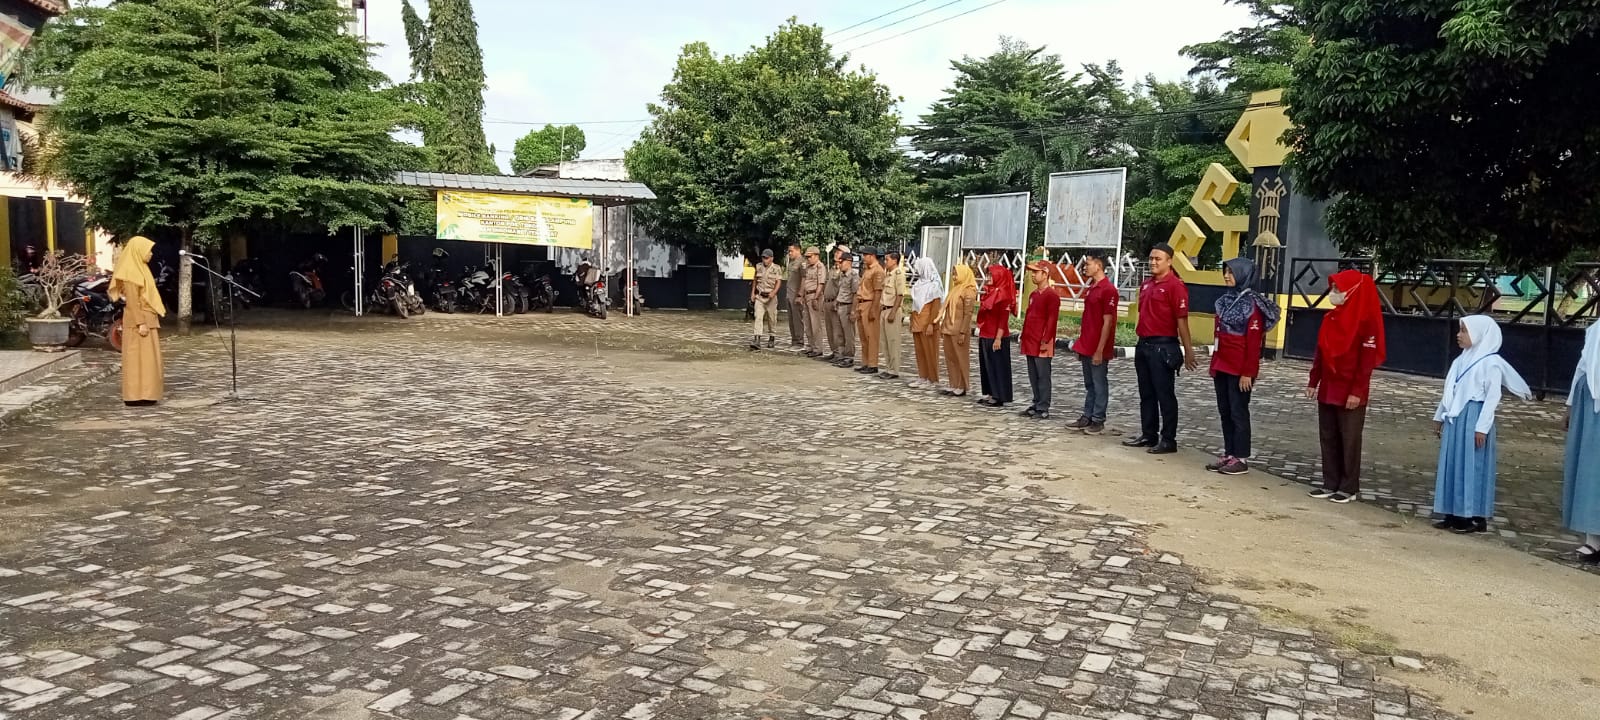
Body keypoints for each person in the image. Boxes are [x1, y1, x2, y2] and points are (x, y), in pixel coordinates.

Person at [1431, 315, 1531, 534]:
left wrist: (1481, 427)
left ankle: (1472, 516)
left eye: (1464, 331)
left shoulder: (1491, 363)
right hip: (1456, 417)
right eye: (1460, 330)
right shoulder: (1460, 360)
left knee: (1472, 466)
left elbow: (1492, 397)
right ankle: (1452, 511)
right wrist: (1439, 417)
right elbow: (1450, 391)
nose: (1459, 335)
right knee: (1453, 464)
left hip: (1473, 418)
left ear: (1480, 334)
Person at [1306, 269, 1386, 503]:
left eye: (1338, 289)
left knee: (1349, 437)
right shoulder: (1330, 319)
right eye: (1333, 288)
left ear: (1351, 292)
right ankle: (1330, 482)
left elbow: (1366, 364)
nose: (1334, 293)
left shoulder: (1366, 323)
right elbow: (1320, 352)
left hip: (1350, 388)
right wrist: (1313, 381)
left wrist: (1357, 392)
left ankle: (1348, 486)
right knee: (1328, 435)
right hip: (1329, 386)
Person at [1207, 257, 1280, 475]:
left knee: (1238, 412)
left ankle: (1241, 457)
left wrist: (1248, 373)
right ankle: (1229, 453)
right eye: (1226, 272)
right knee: (1225, 411)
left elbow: (1253, 343)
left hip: (1239, 369)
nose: (1227, 276)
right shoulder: (1225, 301)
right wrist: (1214, 365)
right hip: (1222, 364)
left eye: (1232, 272)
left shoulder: (1252, 306)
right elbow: (1218, 336)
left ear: (1243, 275)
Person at [1124, 244, 1196, 454]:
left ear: (1169, 261)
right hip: (1143, 344)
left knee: (1164, 395)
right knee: (1146, 393)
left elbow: (1182, 321)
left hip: (1163, 346)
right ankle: (1149, 434)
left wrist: (1188, 350)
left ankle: (1168, 439)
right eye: (1151, 258)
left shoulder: (1175, 286)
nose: (1153, 262)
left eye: (1158, 259)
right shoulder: (1146, 285)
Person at [109, 236, 166, 407]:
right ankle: (135, 394)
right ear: (138, 250)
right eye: (148, 250)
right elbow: (132, 302)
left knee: (148, 359)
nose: (150, 254)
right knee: (137, 359)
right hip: (138, 322)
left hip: (147, 319)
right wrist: (140, 322)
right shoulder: (131, 272)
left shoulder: (141, 269)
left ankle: (147, 393)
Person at [1069, 249, 1118, 435]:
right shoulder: (1092, 288)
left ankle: (1098, 418)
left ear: (1098, 265)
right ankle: (1087, 415)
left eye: (1088, 263)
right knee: (1090, 384)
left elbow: (1108, 322)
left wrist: (1100, 349)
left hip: (1098, 346)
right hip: (1087, 344)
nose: (1085, 267)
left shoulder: (1108, 290)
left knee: (1099, 383)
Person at [1563, 321, 1600, 564]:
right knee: (1590, 469)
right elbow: (1583, 364)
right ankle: (1593, 538)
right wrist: (1569, 405)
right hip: (1590, 405)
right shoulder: (1596, 328)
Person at [1020, 260, 1062, 419]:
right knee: (1033, 374)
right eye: (1032, 271)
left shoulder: (1052, 296)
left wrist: (1046, 339)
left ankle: (1043, 406)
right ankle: (1036, 401)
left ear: (1045, 274)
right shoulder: (1033, 295)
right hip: (1030, 340)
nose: (1032, 274)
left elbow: (1052, 320)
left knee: (1043, 375)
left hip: (1043, 341)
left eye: (1036, 272)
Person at [976, 264, 1016, 407]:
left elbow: (1003, 319)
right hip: (986, 333)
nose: (988, 278)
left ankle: (999, 395)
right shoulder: (989, 292)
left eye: (990, 275)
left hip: (996, 336)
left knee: (997, 367)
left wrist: (998, 338)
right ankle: (990, 392)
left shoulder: (1003, 295)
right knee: (987, 366)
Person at [940, 263, 978, 397]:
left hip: (959, 330)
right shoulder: (954, 289)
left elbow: (968, 314)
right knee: (950, 358)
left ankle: (962, 385)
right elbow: (947, 309)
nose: (954, 276)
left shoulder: (969, 291)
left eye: (956, 274)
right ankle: (953, 383)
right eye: (953, 274)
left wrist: (963, 332)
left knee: (960, 358)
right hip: (949, 328)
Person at [909, 257, 945, 389]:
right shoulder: (918, 284)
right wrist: (912, 320)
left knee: (930, 352)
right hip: (918, 323)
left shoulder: (934, 286)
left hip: (928, 325)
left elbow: (935, 309)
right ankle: (922, 376)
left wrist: (931, 324)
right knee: (920, 351)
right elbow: (914, 305)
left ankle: (932, 378)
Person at [878, 250, 908, 380]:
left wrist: (893, 312)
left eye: (887, 259)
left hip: (892, 310)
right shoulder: (888, 274)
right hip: (884, 309)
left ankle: (894, 370)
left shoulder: (898, 274)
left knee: (893, 341)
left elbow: (899, 295)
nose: (885, 262)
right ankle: (888, 367)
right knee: (884, 341)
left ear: (895, 260)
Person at [854, 248, 885, 374]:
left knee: (871, 335)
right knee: (863, 336)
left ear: (872, 256)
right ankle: (865, 362)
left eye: (865, 255)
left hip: (870, 303)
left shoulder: (878, 271)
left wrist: (874, 309)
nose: (863, 257)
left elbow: (878, 291)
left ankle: (873, 364)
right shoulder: (867, 269)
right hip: (862, 303)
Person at [750, 249, 783, 350]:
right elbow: (755, 279)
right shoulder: (758, 266)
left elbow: (778, 282)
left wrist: (774, 292)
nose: (765, 260)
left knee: (771, 319)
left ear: (771, 258)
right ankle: (757, 339)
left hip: (770, 297)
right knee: (758, 316)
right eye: (763, 257)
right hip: (760, 296)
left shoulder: (776, 268)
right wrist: (752, 293)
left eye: (767, 258)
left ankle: (772, 337)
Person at [833, 248, 860, 368]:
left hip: (848, 306)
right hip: (840, 305)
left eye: (842, 261)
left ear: (848, 261)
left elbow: (855, 294)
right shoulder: (842, 275)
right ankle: (841, 354)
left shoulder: (853, 275)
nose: (840, 264)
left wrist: (854, 310)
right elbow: (841, 290)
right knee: (840, 333)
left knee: (848, 334)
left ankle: (849, 357)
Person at [801, 247, 828, 357]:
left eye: (810, 257)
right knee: (807, 323)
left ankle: (818, 348)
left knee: (815, 323)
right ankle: (810, 346)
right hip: (807, 295)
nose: (808, 259)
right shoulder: (808, 267)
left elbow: (820, 284)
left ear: (816, 256)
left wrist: (816, 298)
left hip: (814, 296)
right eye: (807, 257)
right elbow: (805, 281)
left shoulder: (820, 267)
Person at [821, 246, 844, 361]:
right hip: (827, 301)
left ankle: (840, 353)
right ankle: (834, 351)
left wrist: (837, 300)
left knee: (837, 330)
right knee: (829, 329)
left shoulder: (843, 270)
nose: (836, 253)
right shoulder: (833, 268)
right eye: (836, 251)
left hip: (835, 302)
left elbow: (842, 287)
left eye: (839, 252)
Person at [785, 244, 807, 348]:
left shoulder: (802, 262)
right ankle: (794, 340)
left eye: (791, 251)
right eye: (789, 251)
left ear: (798, 250)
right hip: (789, 294)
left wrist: (800, 294)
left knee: (798, 319)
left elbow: (804, 278)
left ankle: (799, 341)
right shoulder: (791, 263)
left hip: (796, 295)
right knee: (791, 319)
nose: (790, 253)